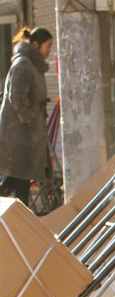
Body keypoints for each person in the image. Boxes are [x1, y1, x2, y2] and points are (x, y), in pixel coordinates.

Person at [0, 27, 54, 206]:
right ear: (36, 45)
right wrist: (30, 119)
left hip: (25, 136)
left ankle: (18, 222)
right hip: (18, 136)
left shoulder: (32, 65)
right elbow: (16, 98)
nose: (50, 50)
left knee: (18, 181)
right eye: (48, 46)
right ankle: (18, 222)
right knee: (18, 179)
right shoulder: (23, 64)